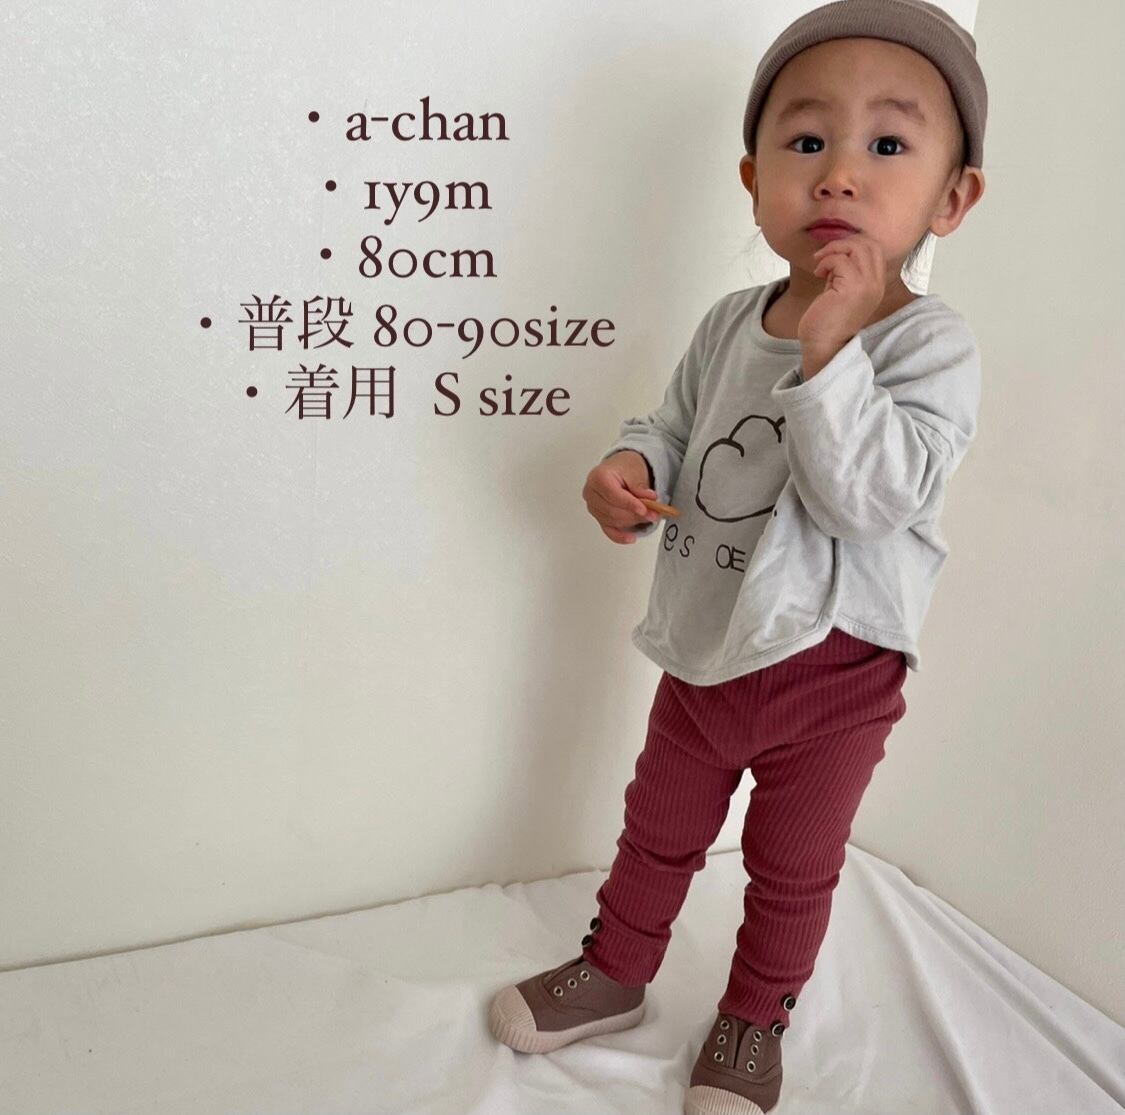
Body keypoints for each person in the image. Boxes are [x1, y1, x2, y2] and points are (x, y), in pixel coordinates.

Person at [489, 2, 987, 1111]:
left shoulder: (928, 345)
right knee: (656, 828)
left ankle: (754, 1019)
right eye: (806, 141)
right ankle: (616, 968)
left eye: (888, 144)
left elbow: (873, 502)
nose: (838, 173)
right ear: (754, 178)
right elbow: (671, 425)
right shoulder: (728, 321)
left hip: (836, 671)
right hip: (706, 642)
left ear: (952, 199)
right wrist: (627, 465)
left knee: (790, 865)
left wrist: (831, 353)